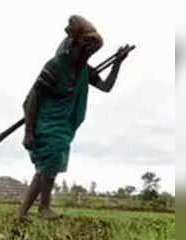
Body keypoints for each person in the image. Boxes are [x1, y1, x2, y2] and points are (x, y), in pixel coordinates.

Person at [17, 15, 131, 222]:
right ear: (75, 46)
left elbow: (105, 87)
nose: (87, 55)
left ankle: (22, 213)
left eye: (91, 53)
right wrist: (28, 132)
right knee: (48, 168)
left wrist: (117, 63)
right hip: (47, 125)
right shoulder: (55, 66)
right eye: (85, 50)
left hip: (63, 126)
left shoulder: (84, 70)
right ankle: (44, 208)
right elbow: (32, 100)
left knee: (44, 170)